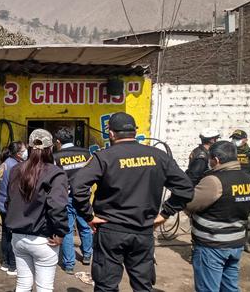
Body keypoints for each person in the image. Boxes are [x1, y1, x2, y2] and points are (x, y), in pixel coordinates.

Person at [72, 112, 194, 292]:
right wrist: (164, 213)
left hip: (111, 230)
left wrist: (88, 215)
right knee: (143, 285)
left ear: (111, 134)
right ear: (134, 131)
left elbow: (77, 186)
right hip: (143, 230)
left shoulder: (104, 157)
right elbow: (186, 188)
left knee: (106, 285)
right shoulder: (158, 156)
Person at [186, 140, 250, 292]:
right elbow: (248, 209)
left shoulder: (214, 181)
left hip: (212, 245)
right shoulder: (249, 180)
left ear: (215, 160)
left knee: (208, 288)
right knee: (230, 287)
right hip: (236, 243)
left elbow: (190, 204)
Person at [5, 129, 68, 292]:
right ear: (50, 148)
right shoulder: (56, 173)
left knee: (23, 285)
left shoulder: (16, 170)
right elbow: (58, 206)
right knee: (44, 287)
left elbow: (9, 201)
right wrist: (61, 232)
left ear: (30, 147)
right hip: (44, 240)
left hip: (18, 237)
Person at [52, 126, 92, 274]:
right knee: (85, 225)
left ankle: (69, 264)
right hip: (84, 196)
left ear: (58, 141)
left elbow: (54, 178)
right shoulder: (86, 153)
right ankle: (87, 255)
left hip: (66, 197)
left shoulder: (56, 157)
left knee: (67, 229)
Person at [0, 141, 27, 276]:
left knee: (5, 233)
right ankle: (13, 266)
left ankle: (5, 262)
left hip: (1, 203)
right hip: (10, 205)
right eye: (24, 149)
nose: (26, 152)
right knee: (13, 235)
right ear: (18, 153)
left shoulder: (5, 163)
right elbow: (15, 190)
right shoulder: (16, 167)